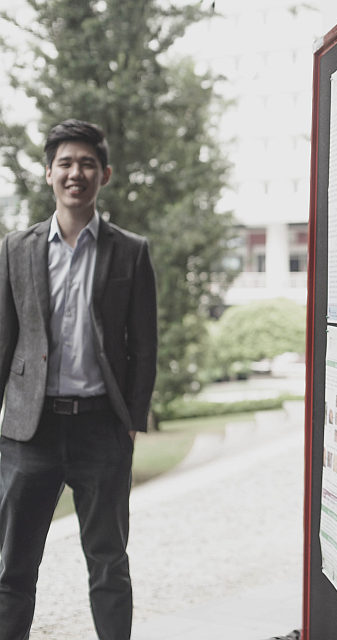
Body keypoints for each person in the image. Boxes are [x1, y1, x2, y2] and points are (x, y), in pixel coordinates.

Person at [0, 119, 158, 640]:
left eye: (87, 163)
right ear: (49, 173)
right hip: (30, 433)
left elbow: (144, 345)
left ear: (104, 174)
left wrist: (131, 422)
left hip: (101, 431)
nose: (76, 173)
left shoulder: (130, 251)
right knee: (12, 570)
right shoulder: (15, 249)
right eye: (65, 163)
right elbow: (3, 341)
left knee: (109, 566)